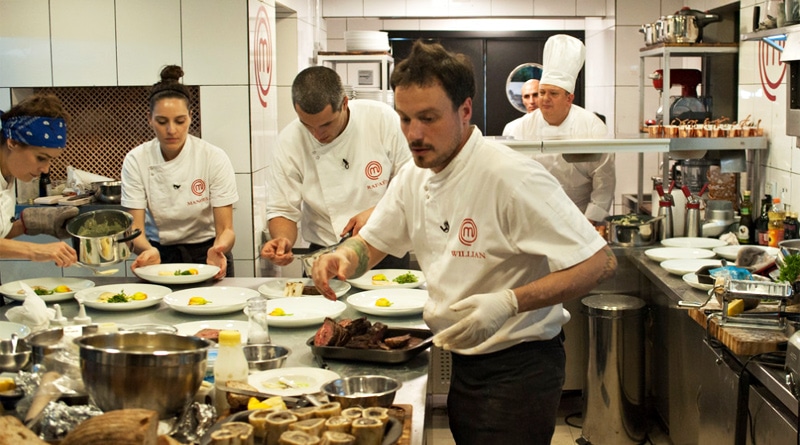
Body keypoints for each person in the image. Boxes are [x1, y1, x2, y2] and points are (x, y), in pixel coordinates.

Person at [310, 40, 617, 444]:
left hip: (520, 367)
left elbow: (599, 263)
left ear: (465, 110)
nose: (414, 135)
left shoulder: (510, 177)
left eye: (428, 118)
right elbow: (375, 241)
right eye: (404, 119)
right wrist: (345, 256)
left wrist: (508, 302)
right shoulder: (414, 176)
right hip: (464, 361)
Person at [260, 66, 411, 271]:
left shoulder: (381, 120)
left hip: (384, 249)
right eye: (307, 125)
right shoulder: (288, 142)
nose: (317, 134)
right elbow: (282, 209)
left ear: (345, 103)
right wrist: (282, 240)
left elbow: (410, 183)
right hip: (324, 253)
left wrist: (377, 212)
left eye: (326, 124)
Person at [121, 65, 238, 279]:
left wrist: (219, 248)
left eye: (180, 121)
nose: (171, 130)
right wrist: (146, 250)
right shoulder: (137, 160)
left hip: (207, 256)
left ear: (191, 117)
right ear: (150, 118)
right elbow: (134, 230)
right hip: (158, 256)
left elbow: (226, 229)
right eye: (162, 121)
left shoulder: (212, 157)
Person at [511, 34, 615, 225]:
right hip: (533, 216)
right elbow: (512, 176)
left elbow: (604, 181)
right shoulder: (521, 127)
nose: (544, 98)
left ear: (569, 98)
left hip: (580, 217)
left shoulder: (592, 126)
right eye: (542, 92)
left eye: (553, 93)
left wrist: (590, 221)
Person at [0, 94, 79, 266]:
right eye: (41, 158)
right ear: (12, 142)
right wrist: (33, 250)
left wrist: (29, 223)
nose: (46, 169)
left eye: (51, 160)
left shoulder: (8, 177)